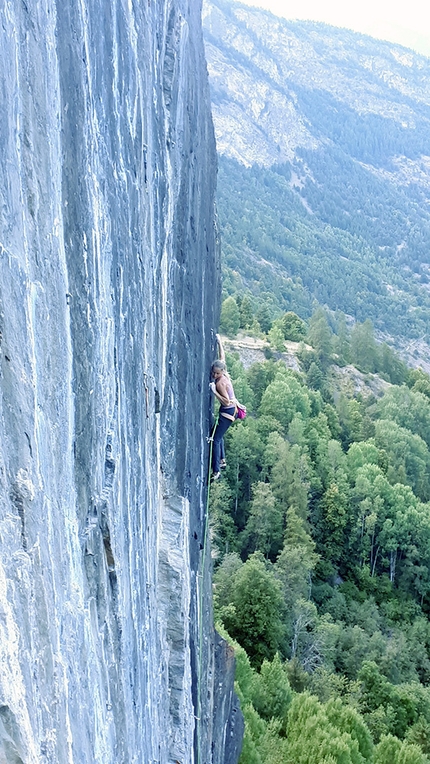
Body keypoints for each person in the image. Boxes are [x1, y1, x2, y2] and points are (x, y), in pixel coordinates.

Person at [209, 334, 237, 480]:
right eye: (214, 372)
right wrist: (220, 342)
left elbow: (226, 401)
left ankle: (216, 470)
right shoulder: (224, 371)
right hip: (231, 411)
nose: (214, 374)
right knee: (217, 433)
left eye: (216, 373)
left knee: (215, 439)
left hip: (228, 411)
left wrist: (214, 392)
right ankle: (222, 460)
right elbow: (222, 357)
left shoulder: (220, 382)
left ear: (221, 372)